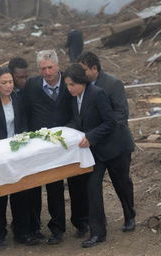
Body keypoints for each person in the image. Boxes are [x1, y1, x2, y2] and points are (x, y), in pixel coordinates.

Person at [76, 51, 136, 243]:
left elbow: (120, 115)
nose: (81, 73)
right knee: (92, 188)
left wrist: (95, 134)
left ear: (94, 68)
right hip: (94, 150)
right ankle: (97, 232)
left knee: (121, 183)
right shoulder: (80, 88)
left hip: (116, 146)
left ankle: (129, 214)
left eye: (84, 70)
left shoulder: (112, 84)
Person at [64, 63, 119, 248]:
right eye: (67, 85)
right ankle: (90, 226)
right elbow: (78, 121)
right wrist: (64, 131)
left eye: (72, 84)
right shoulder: (75, 98)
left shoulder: (97, 94)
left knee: (93, 189)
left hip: (102, 151)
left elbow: (110, 122)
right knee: (87, 189)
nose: (69, 88)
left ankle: (98, 233)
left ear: (82, 82)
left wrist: (91, 137)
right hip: (86, 152)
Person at [24, 49, 73, 245]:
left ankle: (57, 228)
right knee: (34, 186)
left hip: (61, 146)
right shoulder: (32, 85)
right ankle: (35, 227)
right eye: (42, 68)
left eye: (50, 67)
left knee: (55, 187)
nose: (46, 72)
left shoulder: (68, 84)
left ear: (58, 66)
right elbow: (26, 112)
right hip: (37, 146)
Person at [0, 67, 37, 246]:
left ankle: (22, 231)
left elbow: (24, 123)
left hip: (17, 152)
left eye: (10, 82)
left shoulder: (18, 98)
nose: (8, 86)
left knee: (21, 192)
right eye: (4, 83)